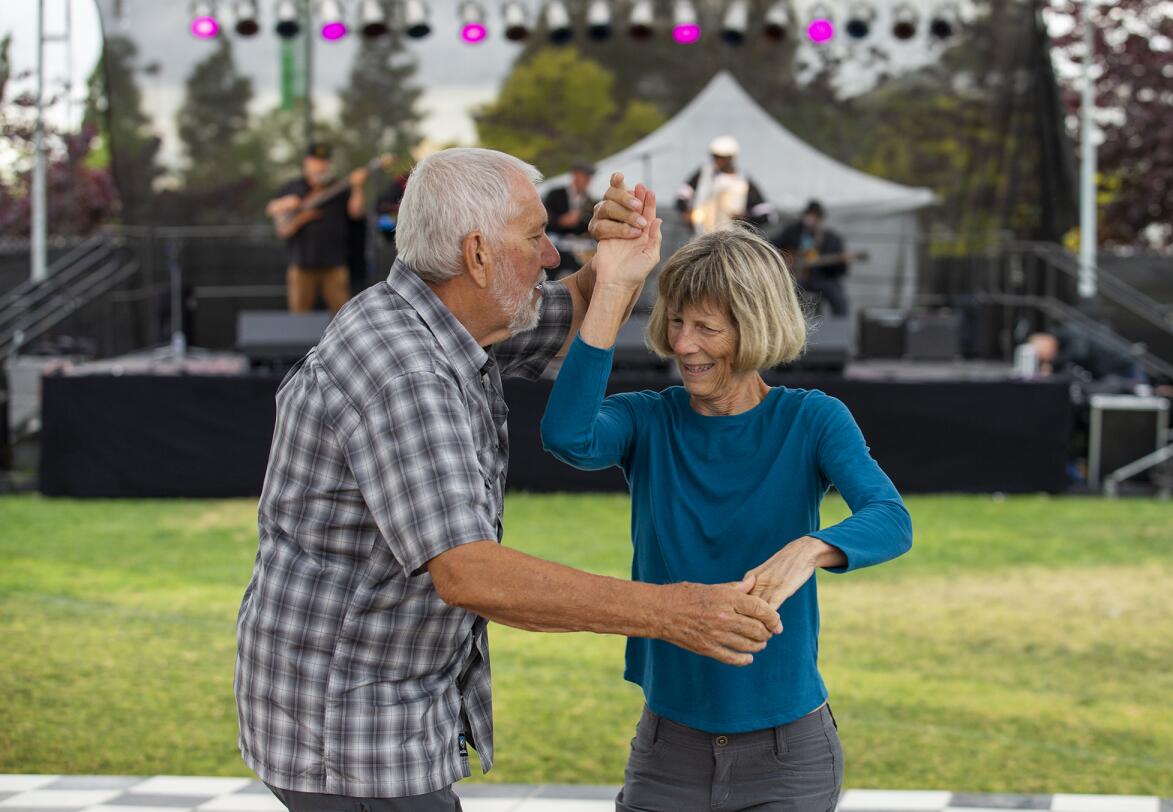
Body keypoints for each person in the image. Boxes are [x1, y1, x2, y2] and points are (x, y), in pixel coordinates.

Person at [234, 148, 783, 812]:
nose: (552, 255)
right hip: (346, 728)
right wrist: (676, 613)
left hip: (363, 704)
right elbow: (471, 573)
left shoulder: (453, 316)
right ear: (478, 254)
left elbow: (579, 301)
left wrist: (620, 256)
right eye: (535, 235)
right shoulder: (404, 369)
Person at [542, 222, 913, 812]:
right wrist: (611, 294)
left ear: (756, 328)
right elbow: (567, 435)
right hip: (667, 747)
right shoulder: (648, 420)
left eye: (707, 328)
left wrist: (809, 548)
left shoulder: (812, 420)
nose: (684, 344)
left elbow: (891, 519)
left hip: (787, 755)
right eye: (678, 322)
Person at [265, 142, 367, 315]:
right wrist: (285, 203)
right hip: (301, 263)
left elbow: (356, 213)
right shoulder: (293, 187)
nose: (321, 165)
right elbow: (271, 209)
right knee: (299, 314)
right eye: (317, 161)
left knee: (343, 314)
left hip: (334, 262)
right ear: (307, 161)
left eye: (324, 161)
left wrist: (358, 186)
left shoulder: (338, 187)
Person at [676, 135, 775, 235]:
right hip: (702, 235)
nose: (717, 160)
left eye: (722, 157)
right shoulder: (703, 174)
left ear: (731, 158)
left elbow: (765, 213)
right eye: (715, 156)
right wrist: (686, 212)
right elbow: (682, 194)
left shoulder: (743, 181)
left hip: (731, 239)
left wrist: (745, 218)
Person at [773, 200, 854, 317]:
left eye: (815, 217)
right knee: (784, 291)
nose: (811, 219)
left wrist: (842, 262)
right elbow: (772, 245)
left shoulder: (832, 239)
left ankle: (840, 327)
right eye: (809, 215)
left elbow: (840, 271)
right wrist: (786, 258)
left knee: (838, 297)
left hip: (822, 278)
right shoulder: (792, 232)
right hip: (796, 277)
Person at [542, 161, 597, 277]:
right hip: (554, 239)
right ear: (575, 175)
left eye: (588, 177)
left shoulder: (591, 201)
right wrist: (560, 221)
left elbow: (588, 226)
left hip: (577, 245)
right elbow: (544, 217)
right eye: (584, 176)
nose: (587, 180)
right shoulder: (555, 194)